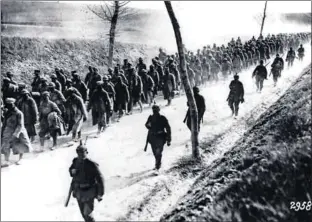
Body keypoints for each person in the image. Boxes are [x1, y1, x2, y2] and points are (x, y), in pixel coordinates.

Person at [69, 141, 104, 222]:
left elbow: (100, 178)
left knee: (87, 214)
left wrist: (100, 193)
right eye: (79, 153)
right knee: (83, 215)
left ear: (86, 152)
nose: (81, 155)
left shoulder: (91, 164)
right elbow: (71, 170)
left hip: (90, 191)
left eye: (82, 152)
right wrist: (72, 171)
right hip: (79, 192)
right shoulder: (75, 161)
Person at [1, 98, 32, 166]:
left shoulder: (19, 113)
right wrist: (2, 131)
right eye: (8, 105)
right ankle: (6, 160)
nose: (9, 106)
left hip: (19, 130)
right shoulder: (7, 113)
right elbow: (4, 123)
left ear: (13, 104)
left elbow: (20, 125)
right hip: (9, 129)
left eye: (10, 105)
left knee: (21, 144)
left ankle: (20, 158)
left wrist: (15, 134)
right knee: (6, 144)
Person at [145, 104, 171, 174]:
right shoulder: (150, 118)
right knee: (155, 152)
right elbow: (146, 125)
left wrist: (169, 139)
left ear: (159, 110)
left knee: (158, 152)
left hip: (160, 137)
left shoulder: (163, 118)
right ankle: (158, 163)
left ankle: (158, 167)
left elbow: (168, 128)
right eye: (153, 110)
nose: (155, 111)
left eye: (156, 110)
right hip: (152, 138)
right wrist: (148, 125)